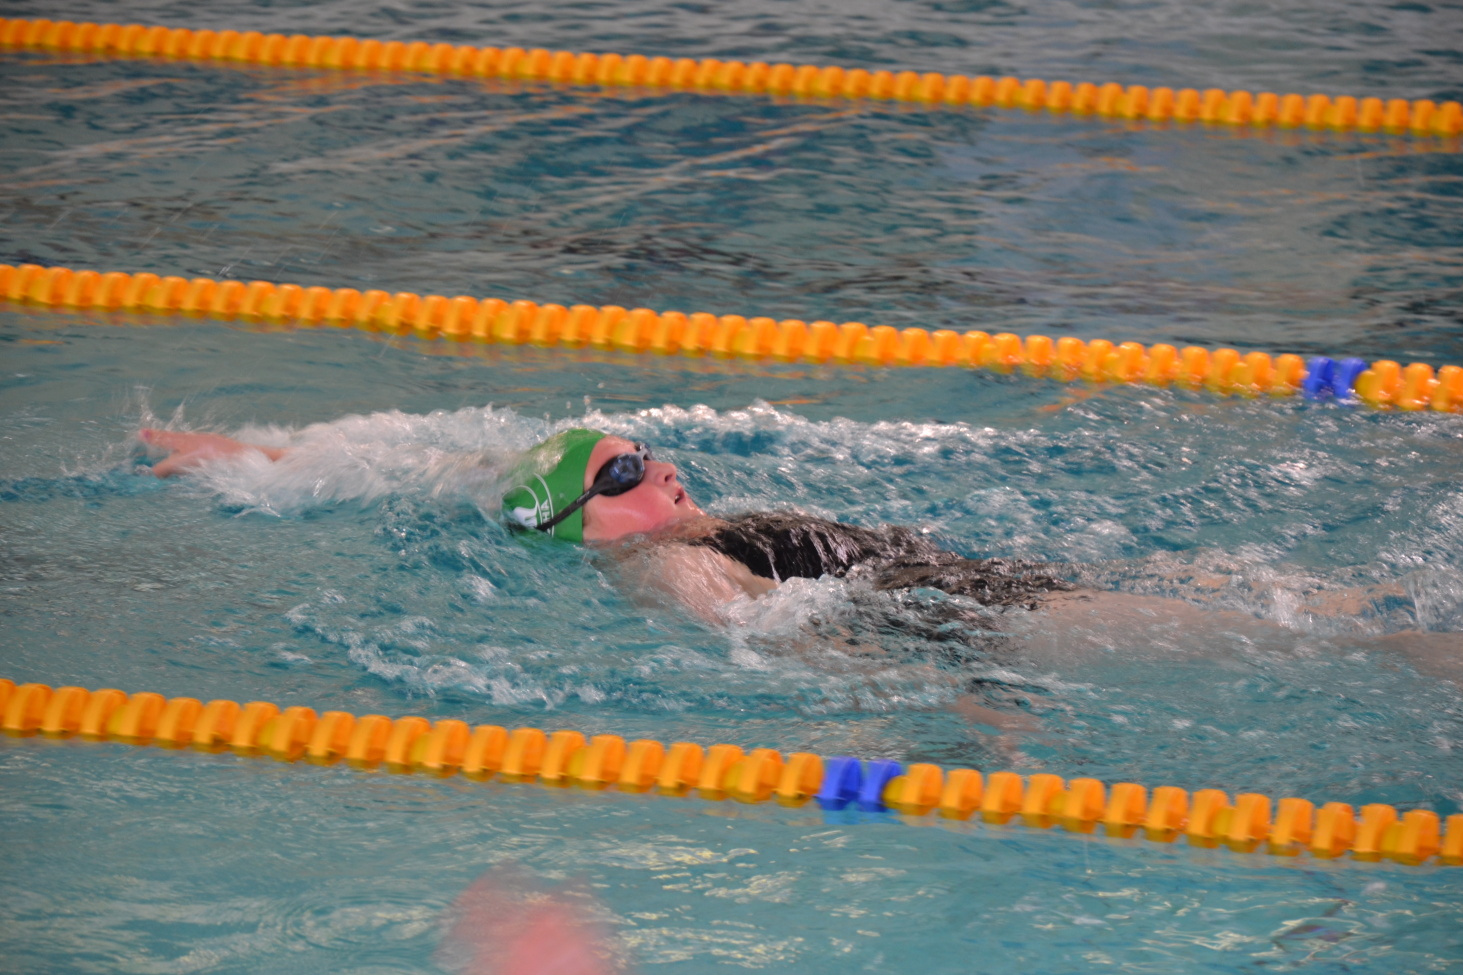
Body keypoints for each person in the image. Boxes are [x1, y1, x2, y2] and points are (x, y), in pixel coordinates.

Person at [138, 425, 1463, 690]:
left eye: (648, 454)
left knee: (1277, 596)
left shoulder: (637, 521)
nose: (656, 470)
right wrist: (946, 689)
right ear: (585, 522)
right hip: (966, 621)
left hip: (974, 574)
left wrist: (245, 456)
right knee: (1325, 634)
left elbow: (448, 462)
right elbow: (768, 644)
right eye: (622, 476)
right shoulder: (660, 567)